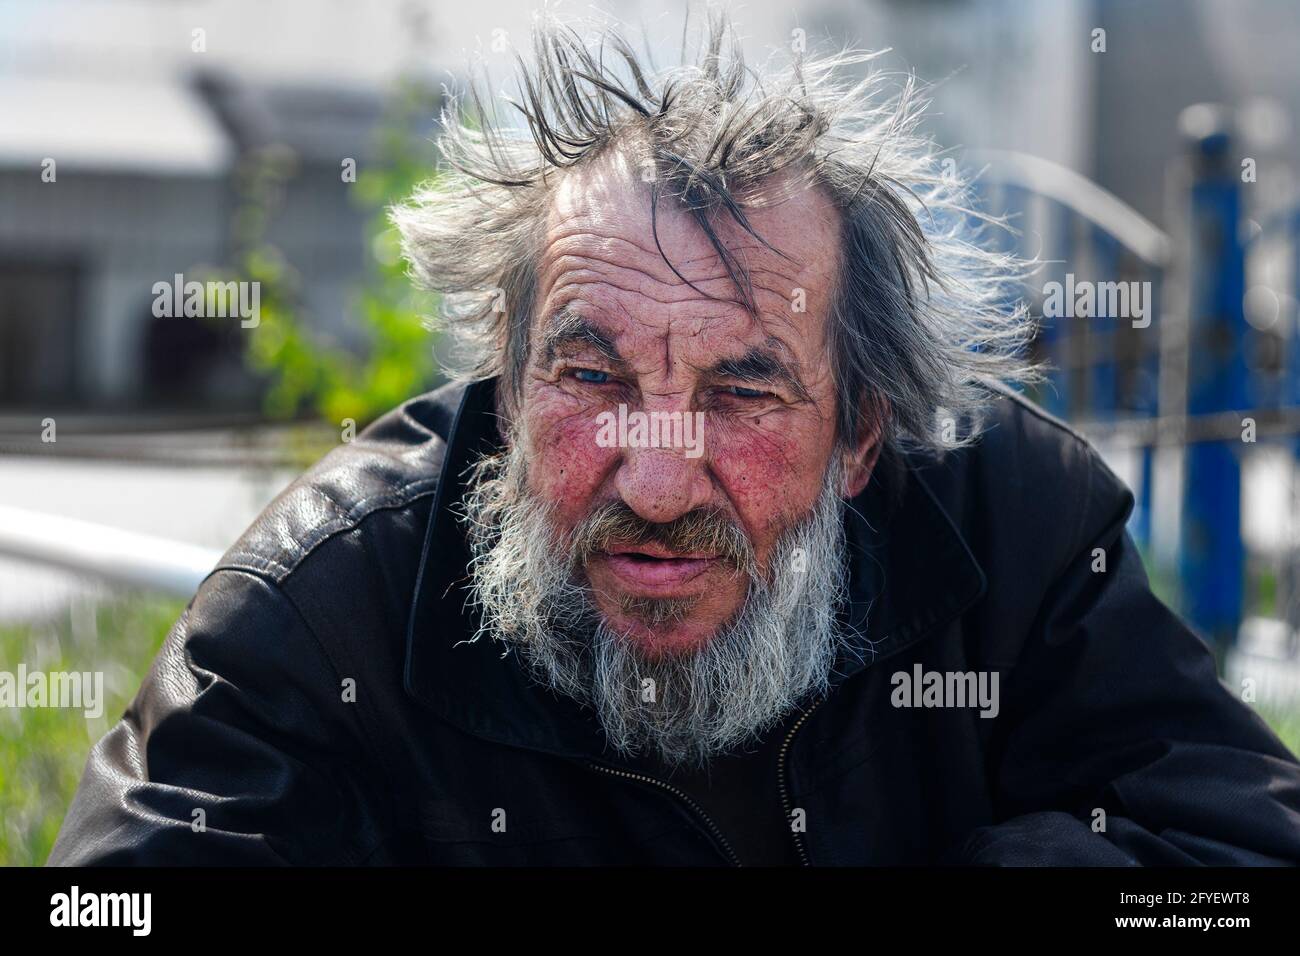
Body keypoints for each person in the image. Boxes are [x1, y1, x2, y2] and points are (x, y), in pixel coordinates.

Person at [49, 14, 1300, 866]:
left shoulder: (1006, 529)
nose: (652, 479)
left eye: (743, 393)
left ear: (860, 431)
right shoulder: (320, 611)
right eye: (589, 374)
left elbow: (1237, 851)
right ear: (509, 377)